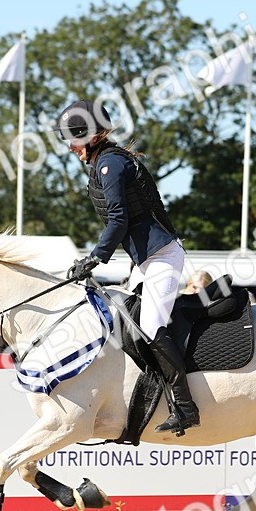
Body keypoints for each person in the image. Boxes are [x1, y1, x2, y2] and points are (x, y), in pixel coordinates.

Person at [57, 99, 198, 435]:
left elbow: (119, 219)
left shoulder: (111, 165)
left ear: (90, 137)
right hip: (145, 260)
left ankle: (186, 405)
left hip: (162, 255)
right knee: (125, 321)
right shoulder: (105, 163)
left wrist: (95, 257)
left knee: (150, 325)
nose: (71, 149)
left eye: (74, 141)